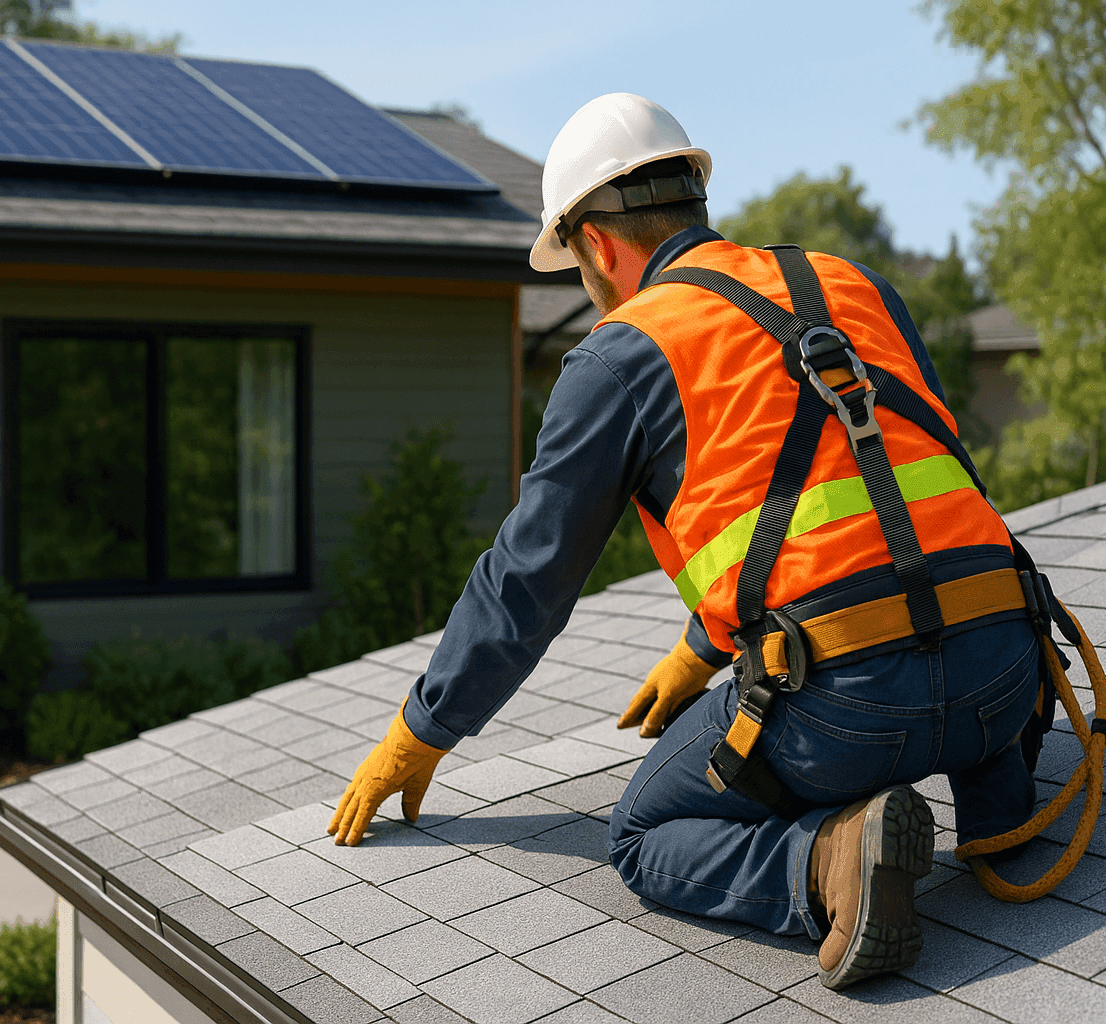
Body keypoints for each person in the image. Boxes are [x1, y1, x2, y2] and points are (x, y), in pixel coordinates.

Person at [327, 93, 1041, 990]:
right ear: (694, 198)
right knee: (959, 686)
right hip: (1003, 663)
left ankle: (834, 862)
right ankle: (997, 804)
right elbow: (878, 492)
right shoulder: (850, 281)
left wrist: (419, 733)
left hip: (852, 709)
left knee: (642, 833)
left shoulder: (620, 355)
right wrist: (699, 651)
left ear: (595, 244)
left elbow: (526, 581)